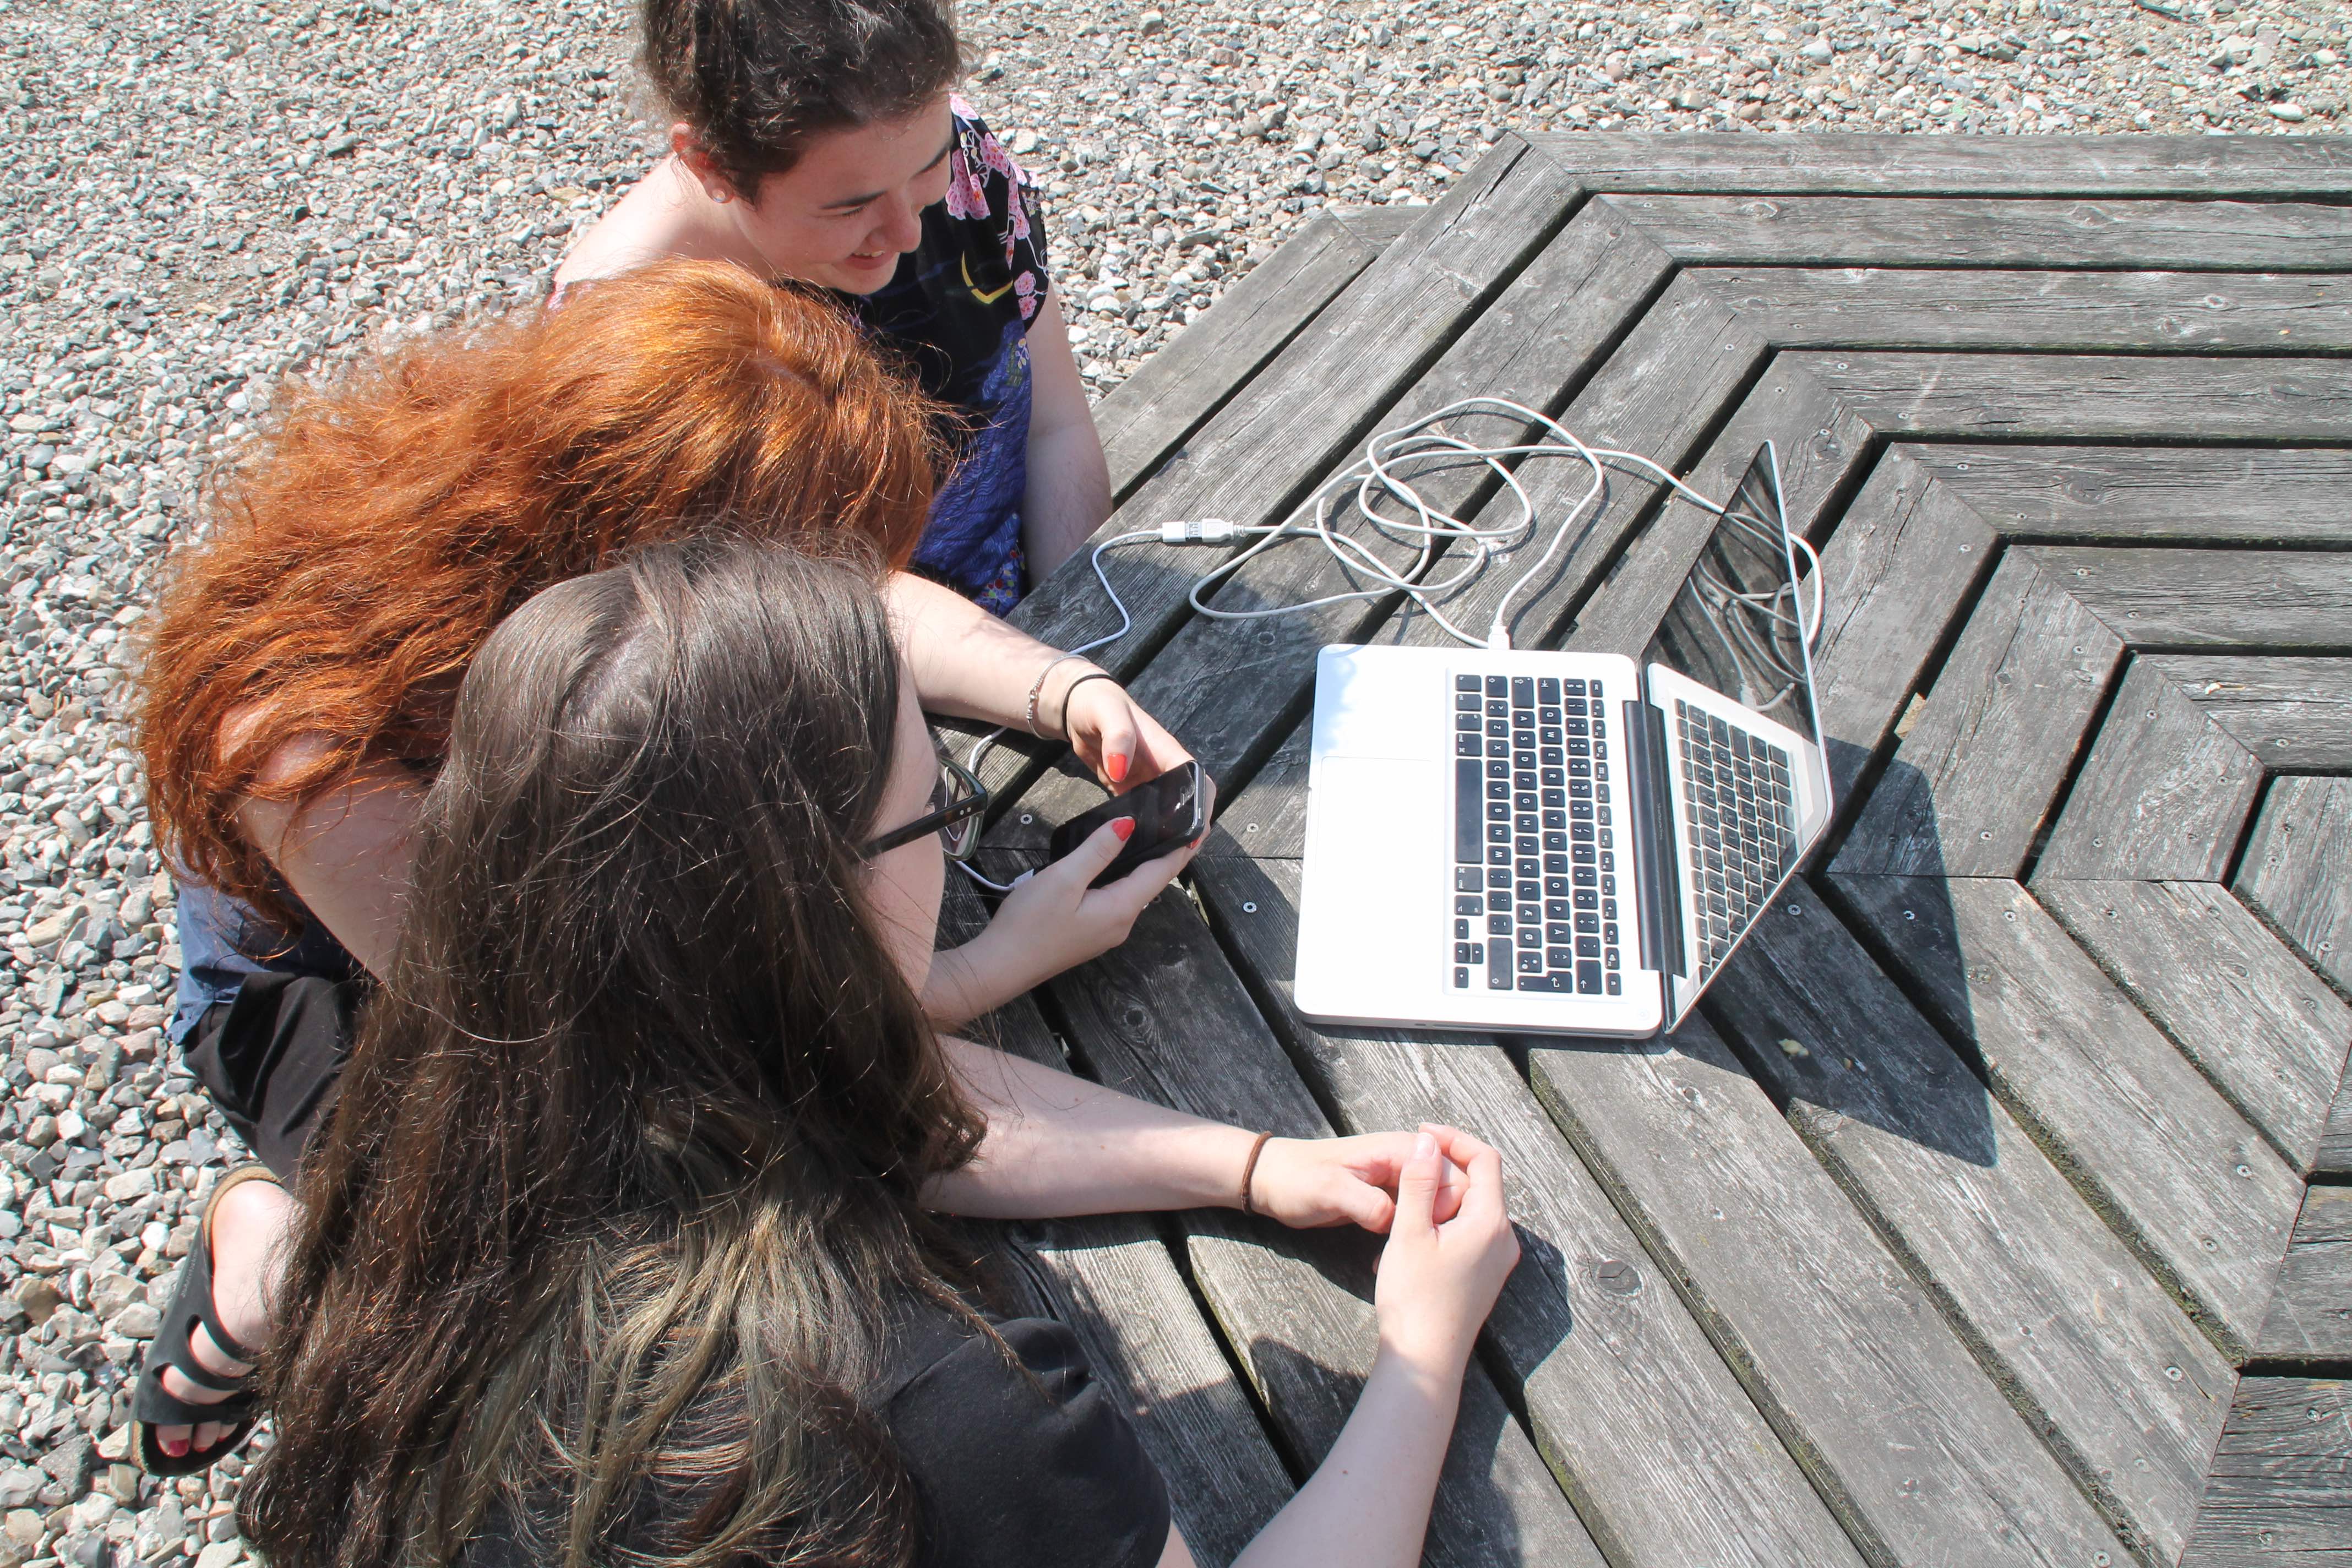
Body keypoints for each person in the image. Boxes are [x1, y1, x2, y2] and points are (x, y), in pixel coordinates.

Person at [131, 263, 1250, 1473]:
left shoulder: (616, 541)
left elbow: (869, 605)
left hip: (563, 898)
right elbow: (629, 1052)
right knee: (570, 1268)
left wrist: (1063, 688)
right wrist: (985, 966)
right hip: (358, 991)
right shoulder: (315, 746)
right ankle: (278, 1249)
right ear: (647, 562)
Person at [235, 541, 1521, 1568]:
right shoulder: (939, 1407)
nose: (954, 844)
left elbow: (887, 1108)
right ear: (804, 903)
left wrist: (1251, 1165)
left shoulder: (448, 1128)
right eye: (936, 811)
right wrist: (1422, 1353)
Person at [556, 0, 1107, 612]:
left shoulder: (962, 157)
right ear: (709, 165)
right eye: (852, 208)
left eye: (928, 169)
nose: (908, 234)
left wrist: (1076, 620)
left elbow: (1056, 430)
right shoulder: (620, 337)